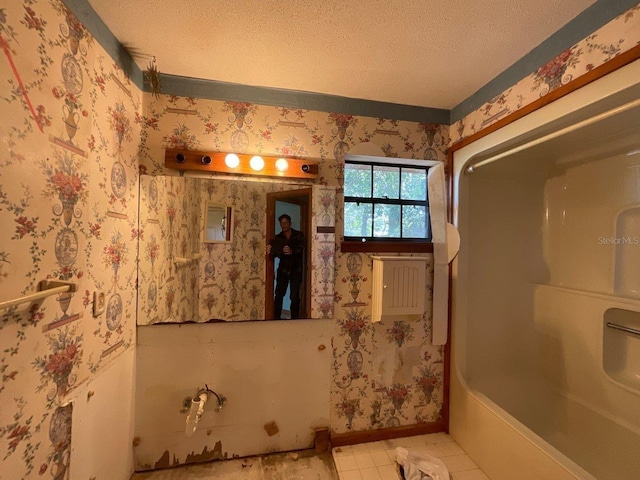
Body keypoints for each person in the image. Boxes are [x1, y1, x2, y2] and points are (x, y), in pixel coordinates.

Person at [267, 214, 305, 319]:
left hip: (296, 270)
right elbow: (275, 254)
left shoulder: (298, 235)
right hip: (283, 270)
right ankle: (276, 318)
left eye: (285, 223)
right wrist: (270, 251)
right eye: (282, 223)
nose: (284, 225)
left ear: (290, 223)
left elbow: (301, 248)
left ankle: (295, 319)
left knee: (294, 296)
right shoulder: (278, 237)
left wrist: (292, 251)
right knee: (278, 295)